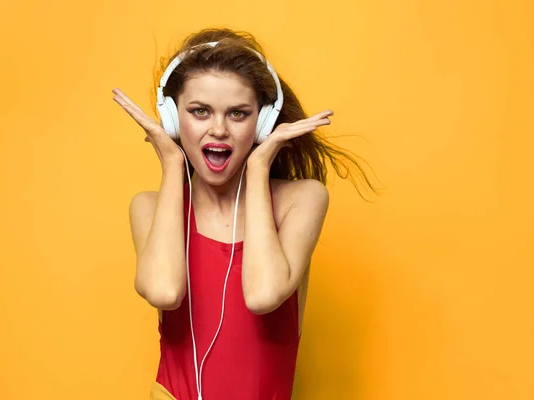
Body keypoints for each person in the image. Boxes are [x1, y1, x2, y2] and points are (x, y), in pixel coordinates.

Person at [112, 28, 378, 400]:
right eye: (199, 112)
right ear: (172, 119)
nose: (218, 129)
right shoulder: (150, 207)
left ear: (263, 123)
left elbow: (263, 294)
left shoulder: (301, 200)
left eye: (238, 114)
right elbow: (164, 290)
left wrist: (257, 170)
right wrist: (172, 163)